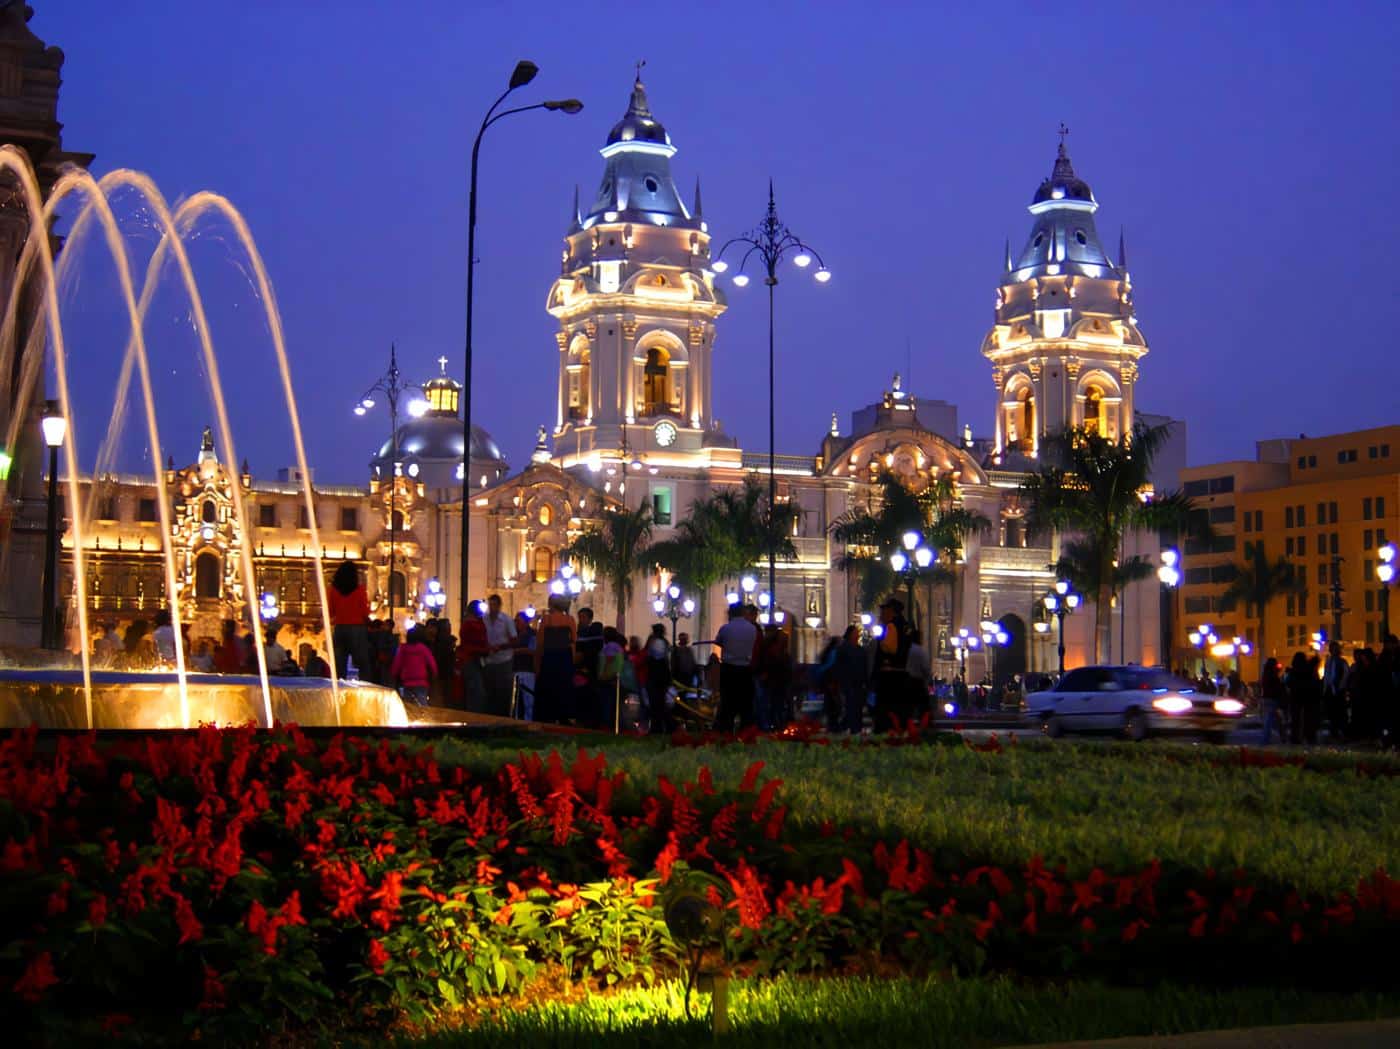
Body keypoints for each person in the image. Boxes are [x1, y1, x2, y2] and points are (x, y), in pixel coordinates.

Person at [714, 603, 759, 732]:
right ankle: (745, 732)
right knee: (746, 705)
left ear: (730, 613)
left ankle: (725, 731)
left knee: (728, 704)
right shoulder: (752, 629)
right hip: (745, 670)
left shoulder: (726, 628)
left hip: (729, 669)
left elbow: (719, 642)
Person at [533, 596, 577, 723]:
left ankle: (547, 716)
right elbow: (573, 641)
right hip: (564, 657)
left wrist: (537, 665)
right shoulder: (570, 620)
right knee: (563, 688)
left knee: (548, 688)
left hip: (549, 656)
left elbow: (540, 643)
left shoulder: (546, 619)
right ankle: (564, 716)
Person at [871, 597, 911, 732]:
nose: (881, 615)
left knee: (886, 713)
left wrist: (880, 642)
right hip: (901, 675)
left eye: (884, 611)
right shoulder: (905, 626)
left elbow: (890, 648)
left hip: (889, 677)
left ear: (891, 612)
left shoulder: (891, 626)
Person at [328, 562, 372, 680]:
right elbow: (364, 612)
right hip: (357, 629)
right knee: (363, 663)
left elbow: (331, 611)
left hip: (340, 628)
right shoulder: (360, 590)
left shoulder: (332, 590)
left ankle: (339, 689)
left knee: (339, 664)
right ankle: (364, 687)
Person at [481, 594, 518, 717]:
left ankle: (503, 716)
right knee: (490, 690)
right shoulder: (484, 619)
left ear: (499, 606)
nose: (492, 608)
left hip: (504, 659)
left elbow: (514, 639)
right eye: (490, 605)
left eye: (494, 605)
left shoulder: (507, 620)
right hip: (489, 660)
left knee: (503, 691)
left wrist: (500, 647)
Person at [833, 625, 869, 735]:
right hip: (848, 683)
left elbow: (864, 666)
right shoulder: (843, 648)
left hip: (858, 683)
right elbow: (839, 666)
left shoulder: (860, 650)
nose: (858, 634)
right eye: (856, 632)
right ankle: (848, 727)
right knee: (850, 707)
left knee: (857, 708)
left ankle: (855, 727)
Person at [390, 625, 437, 707]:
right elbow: (431, 662)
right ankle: (423, 718)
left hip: (407, 682)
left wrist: (393, 674)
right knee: (422, 704)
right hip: (421, 681)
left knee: (408, 705)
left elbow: (397, 663)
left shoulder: (403, 649)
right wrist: (434, 673)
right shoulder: (423, 648)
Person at [757, 624, 793, 730]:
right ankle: (779, 723)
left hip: (773, 678)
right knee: (778, 703)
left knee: (772, 702)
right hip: (780, 678)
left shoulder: (769, 646)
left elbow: (768, 662)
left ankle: (773, 723)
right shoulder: (779, 647)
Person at [456, 603, 489, 713]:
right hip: (471, 660)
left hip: (473, 659)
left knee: (475, 692)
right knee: (476, 693)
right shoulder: (472, 625)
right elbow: (478, 641)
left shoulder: (470, 624)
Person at [1285, 651, 1321, 745]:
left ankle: (1295, 738)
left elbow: (1288, 683)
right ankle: (1309, 737)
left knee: (1295, 719)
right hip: (1307, 697)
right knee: (1308, 718)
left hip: (1295, 697)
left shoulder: (1293, 671)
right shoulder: (1308, 669)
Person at [644, 623, 673, 734]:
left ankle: (660, 727)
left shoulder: (657, 643)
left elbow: (656, 658)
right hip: (661, 677)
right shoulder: (663, 642)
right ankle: (663, 727)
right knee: (659, 704)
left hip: (656, 677)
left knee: (657, 704)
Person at [1322, 640, 1349, 742]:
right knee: (1332, 712)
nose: (1332, 651)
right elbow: (1327, 676)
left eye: (1334, 649)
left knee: (1340, 712)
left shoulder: (1342, 662)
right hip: (1330, 690)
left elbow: (1345, 675)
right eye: (1331, 649)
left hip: (1338, 690)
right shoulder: (1328, 661)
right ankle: (1334, 731)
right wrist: (1325, 689)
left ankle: (1341, 732)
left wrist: (1341, 687)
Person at [1259, 656, 1285, 744]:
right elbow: (1277, 687)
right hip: (1272, 699)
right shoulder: (1273, 675)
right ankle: (1266, 739)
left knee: (1273, 718)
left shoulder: (1265, 674)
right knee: (1271, 719)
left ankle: (1280, 737)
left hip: (1266, 698)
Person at [906, 628, 932, 715]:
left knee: (908, 708)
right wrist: (927, 680)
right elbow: (926, 668)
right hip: (918, 681)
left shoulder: (906, 649)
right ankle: (924, 725)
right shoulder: (921, 651)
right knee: (924, 708)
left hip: (907, 680)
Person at [431, 618, 457, 707]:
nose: (450, 627)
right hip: (444, 673)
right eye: (448, 625)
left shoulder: (438, 642)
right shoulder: (445, 642)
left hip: (444, 673)